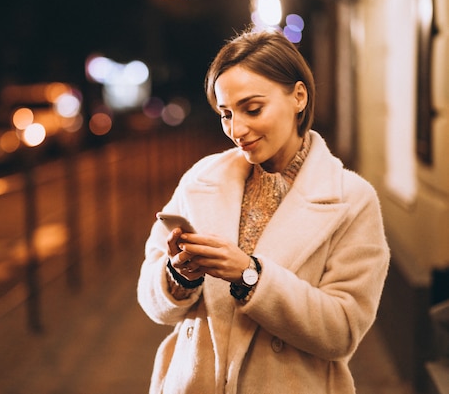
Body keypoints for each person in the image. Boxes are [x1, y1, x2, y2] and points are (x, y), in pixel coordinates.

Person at [137, 29, 390, 394]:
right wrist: (180, 277)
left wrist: (249, 274)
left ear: (298, 97)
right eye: (225, 114)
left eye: (252, 109)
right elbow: (153, 304)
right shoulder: (201, 180)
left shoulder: (351, 199)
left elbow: (343, 331)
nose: (236, 130)